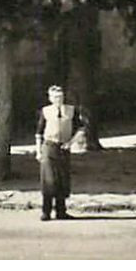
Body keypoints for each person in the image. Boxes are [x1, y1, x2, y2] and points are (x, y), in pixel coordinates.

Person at [35, 84, 87, 221]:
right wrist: (38, 151)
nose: (59, 99)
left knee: (62, 179)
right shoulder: (45, 111)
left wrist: (71, 142)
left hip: (63, 147)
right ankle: (46, 212)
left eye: (61, 96)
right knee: (49, 180)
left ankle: (61, 211)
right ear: (50, 98)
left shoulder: (71, 110)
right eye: (55, 97)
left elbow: (81, 128)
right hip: (49, 146)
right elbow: (39, 133)